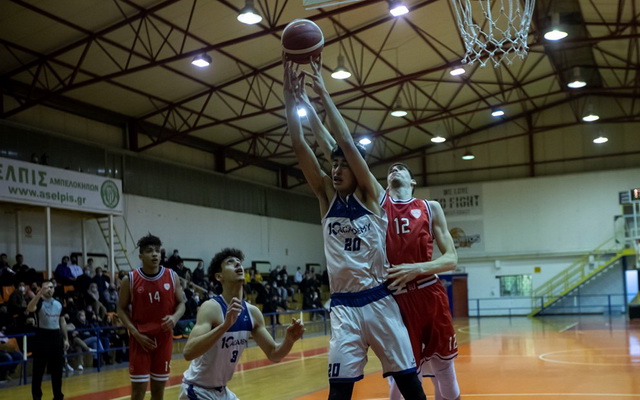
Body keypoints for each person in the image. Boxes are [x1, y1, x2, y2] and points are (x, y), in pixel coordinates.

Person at [283, 57, 426, 400]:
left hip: (378, 300)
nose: (336, 170)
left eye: (342, 165)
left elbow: (345, 142)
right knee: (338, 393)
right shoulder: (325, 196)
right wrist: (291, 102)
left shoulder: (372, 195)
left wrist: (323, 95)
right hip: (343, 307)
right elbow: (301, 145)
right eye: (332, 165)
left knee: (411, 387)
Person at [180, 248, 304, 399]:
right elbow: (188, 352)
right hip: (197, 389)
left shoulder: (252, 312)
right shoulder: (211, 307)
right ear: (219, 276)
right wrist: (225, 326)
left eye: (239, 262)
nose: (238, 265)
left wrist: (289, 341)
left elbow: (274, 354)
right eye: (230, 262)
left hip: (222, 391)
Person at [383, 163, 461, 400]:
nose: (395, 169)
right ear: (386, 184)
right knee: (403, 374)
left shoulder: (430, 207)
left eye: (401, 168)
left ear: (413, 181)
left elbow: (451, 259)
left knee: (444, 368)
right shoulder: (377, 208)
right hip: (395, 299)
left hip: (429, 293)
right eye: (391, 169)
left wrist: (417, 268)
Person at [117, 234, 185, 400]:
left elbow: (181, 304)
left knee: (158, 392)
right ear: (141, 256)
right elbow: (121, 309)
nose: (154, 254)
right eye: (149, 251)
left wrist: (175, 318)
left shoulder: (172, 276)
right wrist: (135, 332)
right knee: (137, 393)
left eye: (157, 251)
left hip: (164, 339)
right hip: (141, 340)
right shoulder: (130, 279)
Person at [26, 280, 69, 400]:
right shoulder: (39, 302)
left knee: (57, 371)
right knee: (38, 371)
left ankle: (58, 396)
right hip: (42, 336)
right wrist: (39, 294)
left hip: (56, 337)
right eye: (47, 287)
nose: (50, 289)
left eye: (51, 287)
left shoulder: (58, 303)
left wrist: (66, 339)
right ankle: (37, 397)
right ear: (41, 289)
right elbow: (30, 308)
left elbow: (62, 321)